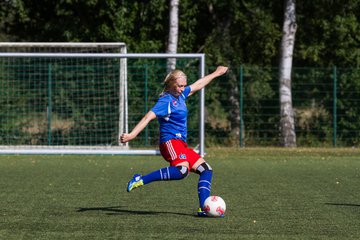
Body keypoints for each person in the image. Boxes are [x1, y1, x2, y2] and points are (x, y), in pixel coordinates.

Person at [120, 66, 228, 217]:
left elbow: (198, 84)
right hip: (169, 142)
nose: (182, 88)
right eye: (179, 86)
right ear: (171, 84)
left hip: (180, 144)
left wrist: (216, 73)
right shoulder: (166, 101)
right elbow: (147, 117)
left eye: (184, 86)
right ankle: (141, 179)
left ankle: (204, 207)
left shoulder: (180, 95)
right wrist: (132, 135)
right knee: (182, 171)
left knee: (206, 170)